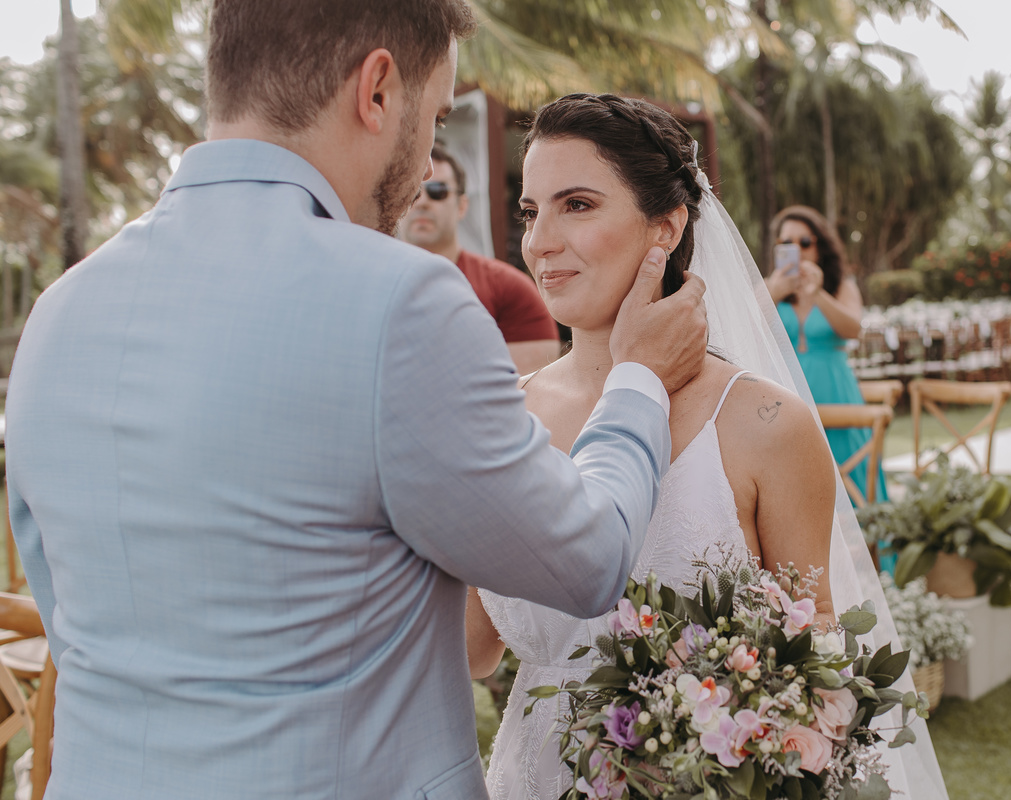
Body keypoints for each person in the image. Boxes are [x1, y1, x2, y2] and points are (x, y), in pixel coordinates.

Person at [4, 3, 711, 799]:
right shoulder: (401, 302)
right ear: (378, 90)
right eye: (434, 114)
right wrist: (640, 378)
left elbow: (73, 618)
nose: (420, 172)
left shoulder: (59, 315)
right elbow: (585, 562)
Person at [465, 94, 948, 800]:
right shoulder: (501, 414)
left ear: (666, 227)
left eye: (576, 204)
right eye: (531, 211)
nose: (538, 242)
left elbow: (814, 664)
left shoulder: (765, 424)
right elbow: (474, 651)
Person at [398, 143, 561, 374]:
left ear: (462, 206)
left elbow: (525, 391)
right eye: (413, 192)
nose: (423, 202)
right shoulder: (369, 284)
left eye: (438, 191)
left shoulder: (510, 289)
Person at [765, 205, 887, 504]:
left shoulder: (841, 286)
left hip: (835, 390)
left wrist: (817, 292)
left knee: (853, 474)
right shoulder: (771, 287)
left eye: (804, 242)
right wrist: (778, 289)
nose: (796, 249)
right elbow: (743, 324)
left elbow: (852, 328)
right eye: (786, 243)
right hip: (788, 393)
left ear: (821, 246)